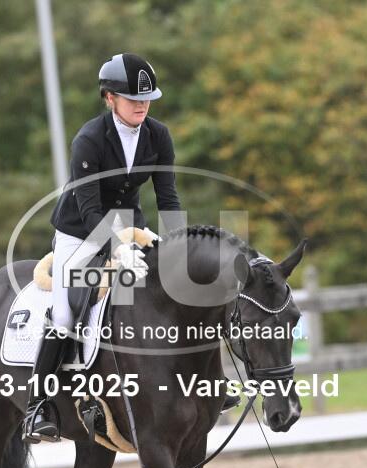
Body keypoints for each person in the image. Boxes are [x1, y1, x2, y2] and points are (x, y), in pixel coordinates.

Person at [22, 53, 237, 444]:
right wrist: (115, 250)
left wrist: (179, 248)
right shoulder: (89, 139)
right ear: (110, 98)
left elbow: (167, 196)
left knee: (180, 290)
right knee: (65, 311)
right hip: (79, 232)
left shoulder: (158, 135)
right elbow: (89, 208)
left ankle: (210, 384)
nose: (142, 105)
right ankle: (38, 406)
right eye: (133, 98)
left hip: (130, 226)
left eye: (147, 98)